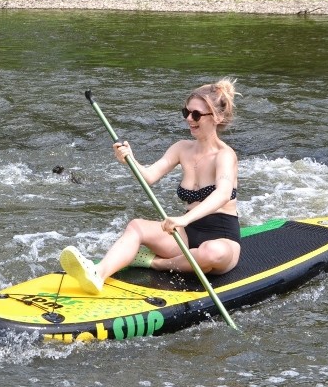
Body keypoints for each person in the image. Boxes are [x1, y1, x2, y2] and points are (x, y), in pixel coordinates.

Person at [60, 79, 242, 295]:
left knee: (210, 253)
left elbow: (222, 194)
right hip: (186, 235)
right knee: (136, 226)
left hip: (222, 239)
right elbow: (149, 176)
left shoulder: (225, 155)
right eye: (186, 112)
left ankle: (154, 263)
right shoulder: (182, 148)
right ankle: (98, 274)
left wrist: (184, 218)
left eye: (196, 115)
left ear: (217, 118)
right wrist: (129, 159)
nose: (189, 119)